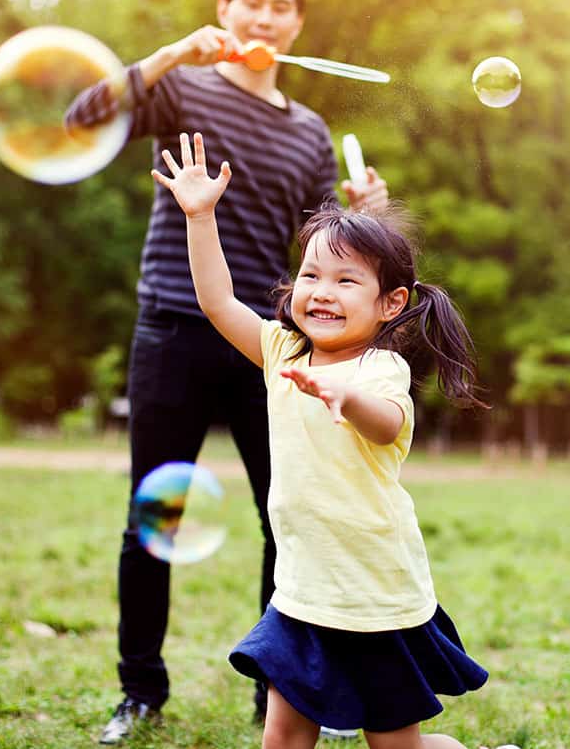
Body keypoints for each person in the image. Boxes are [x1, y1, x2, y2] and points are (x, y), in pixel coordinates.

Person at [65, 0, 388, 744]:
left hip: (265, 347)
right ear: (226, 9)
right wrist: (173, 52)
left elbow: (321, 254)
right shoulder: (182, 88)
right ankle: (140, 693)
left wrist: (365, 215)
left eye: (280, 6)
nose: (265, 17)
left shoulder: (309, 132)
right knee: (153, 520)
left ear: (297, 23)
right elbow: (82, 116)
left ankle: (279, 697)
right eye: (251, 2)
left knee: (289, 520)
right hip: (172, 326)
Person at [153, 131, 489, 749]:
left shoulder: (379, 371)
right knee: (283, 732)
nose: (321, 292)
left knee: (393, 746)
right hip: (304, 589)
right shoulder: (282, 350)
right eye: (311, 274)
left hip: (374, 591)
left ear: (392, 304)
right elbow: (218, 300)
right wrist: (201, 218)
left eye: (344, 281)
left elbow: (386, 422)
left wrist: (346, 397)